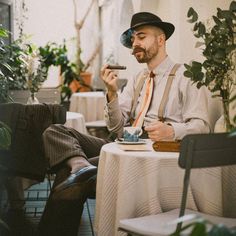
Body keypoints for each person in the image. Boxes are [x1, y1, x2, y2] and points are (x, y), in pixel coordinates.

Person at [38, 12, 210, 235]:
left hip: (150, 153)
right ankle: (81, 166)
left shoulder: (186, 76)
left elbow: (202, 126)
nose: (135, 43)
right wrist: (111, 93)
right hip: (123, 145)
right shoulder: (138, 78)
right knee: (55, 130)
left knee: (65, 173)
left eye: (141, 36)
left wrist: (172, 130)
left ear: (160, 40)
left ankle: (79, 170)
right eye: (133, 39)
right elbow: (117, 129)